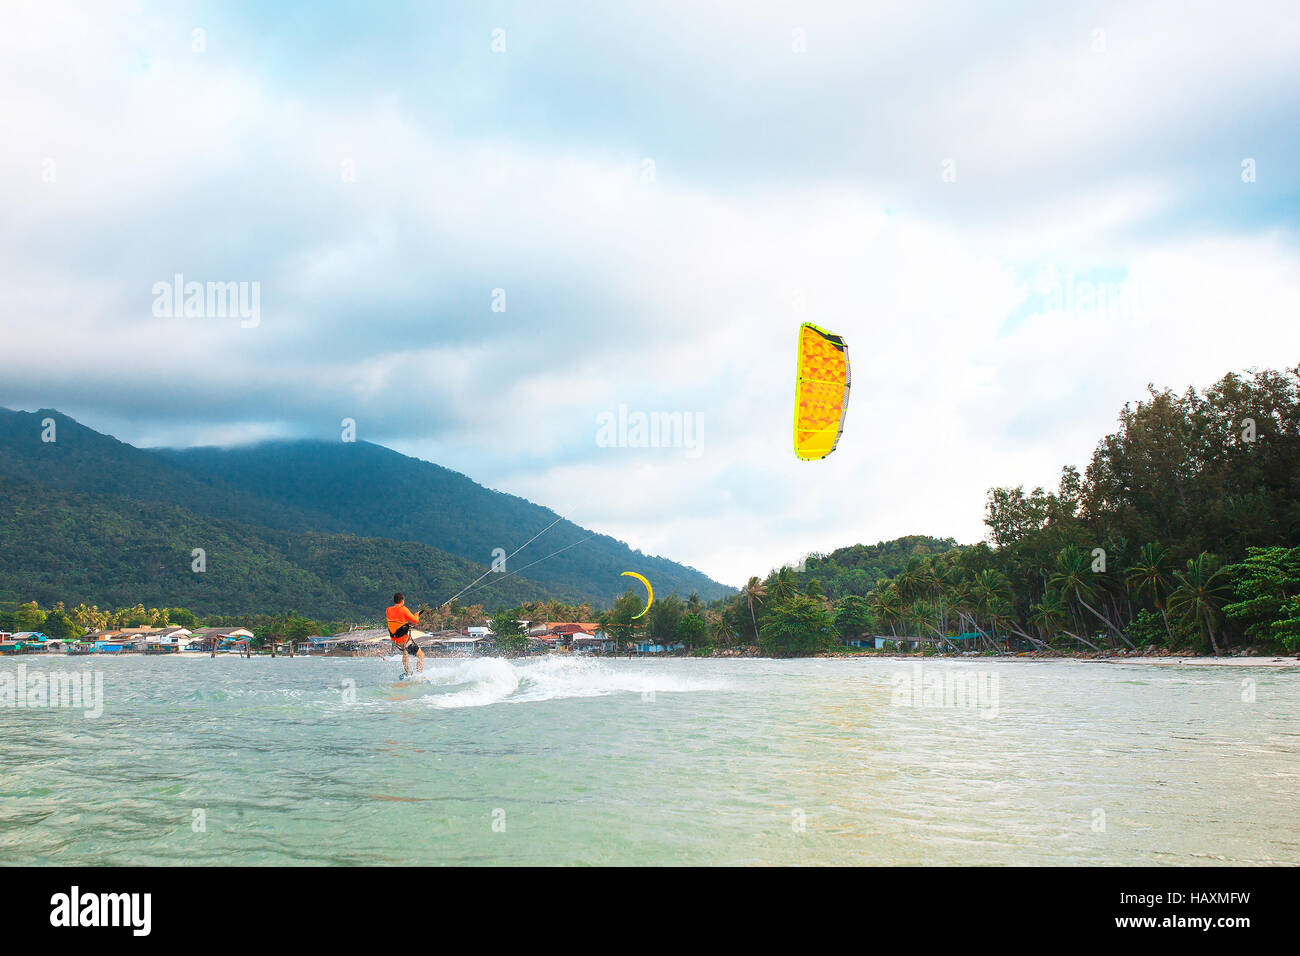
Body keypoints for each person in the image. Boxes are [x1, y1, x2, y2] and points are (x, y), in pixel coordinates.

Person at [386, 592, 425, 677]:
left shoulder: (388, 610)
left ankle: (407, 673)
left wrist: (407, 625)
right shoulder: (403, 609)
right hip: (405, 641)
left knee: (405, 652)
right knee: (421, 655)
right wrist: (417, 615)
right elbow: (415, 620)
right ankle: (419, 675)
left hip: (396, 642)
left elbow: (396, 623)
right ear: (402, 600)